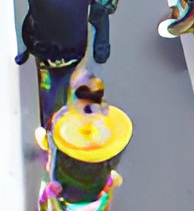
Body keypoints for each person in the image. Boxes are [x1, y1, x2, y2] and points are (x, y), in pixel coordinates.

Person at [18, 0, 101, 125]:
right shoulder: (82, 0)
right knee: (65, 79)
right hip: (74, 53)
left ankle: (48, 121)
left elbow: (31, 23)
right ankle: (66, 112)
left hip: (46, 54)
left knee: (47, 85)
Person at [36, 67, 131, 210]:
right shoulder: (106, 124)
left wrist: (50, 193)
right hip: (92, 192)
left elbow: (56, 153)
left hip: (70, 192)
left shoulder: (63, 123)